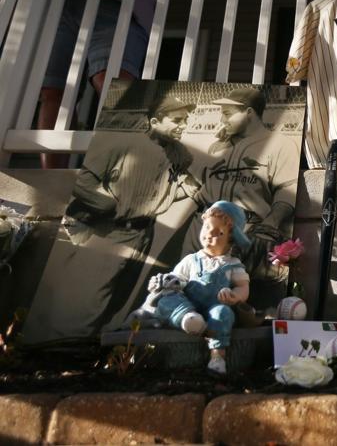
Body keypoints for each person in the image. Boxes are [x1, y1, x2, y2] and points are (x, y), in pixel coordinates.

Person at [22, 96, 200, 343]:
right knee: (91, 297)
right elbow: (85, 182)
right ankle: (65, 347)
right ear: (155, 120)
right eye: (177, 120)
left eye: (186, 119)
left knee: (119, 300)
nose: (184, 124)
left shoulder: (179, 153)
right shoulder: (123, 144)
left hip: (144, 232)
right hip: (112, 231)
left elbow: (180, 182)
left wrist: (176, 194)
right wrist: (107, 205)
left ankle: (92, 349)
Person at [35, 0, 169, 168]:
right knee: (53, 91)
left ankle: (138, 168)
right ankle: (51, 176)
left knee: (113, 84)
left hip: (119, 0)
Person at [182, 88, 300, 306]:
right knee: (190, 292)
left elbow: (287, 190)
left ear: (248, 112)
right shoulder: (219, 146)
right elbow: (206, 186)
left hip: (245, 230)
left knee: (235, 299)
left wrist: (269, 226)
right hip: (202, 227)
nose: (222, 119)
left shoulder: (281, 144)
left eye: (227, 113)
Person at [152, 201, 251, 375]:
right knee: (167, 300)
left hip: (214, 307)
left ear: (230, 238)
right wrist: (166, 282)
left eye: (219, 232)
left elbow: (243, 286)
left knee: (224, 314)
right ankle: (188, 319)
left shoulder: (232, 264)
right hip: (189, 305)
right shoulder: (191, 260)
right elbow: (177, 279)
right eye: (206, 227)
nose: (209, 234)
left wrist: (234, 296)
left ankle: (217, 356)